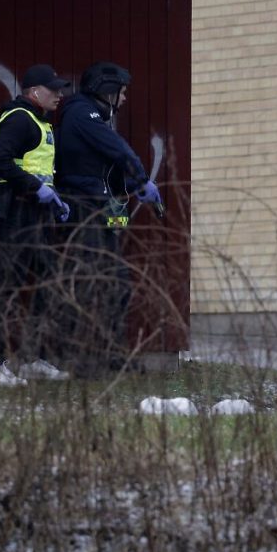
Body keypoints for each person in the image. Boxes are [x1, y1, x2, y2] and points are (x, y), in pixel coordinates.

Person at [55, 61, 162, 374]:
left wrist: (132, 187)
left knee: (116, 283)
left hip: (96, 207)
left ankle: (114, 355)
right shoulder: (81, 113)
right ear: (107, 90)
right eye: (122, 92)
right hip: (83, 209)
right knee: (90, 284)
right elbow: (118, 150)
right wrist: (142, 179)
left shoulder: (90, 117)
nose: (125, 99)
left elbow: (100, 171)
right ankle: (84, 360)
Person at [0, 64, 73, 385]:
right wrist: (38, 189)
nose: (59, 95)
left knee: (47, 286)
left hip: (38, 216)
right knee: (7, 289)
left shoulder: (39, 121)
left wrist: (55, 200)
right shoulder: (20, 119)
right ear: (34, 91)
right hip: (18, 214)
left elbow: (39, 169)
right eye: (53, 90)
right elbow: (0, 162)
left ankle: (34, 358)